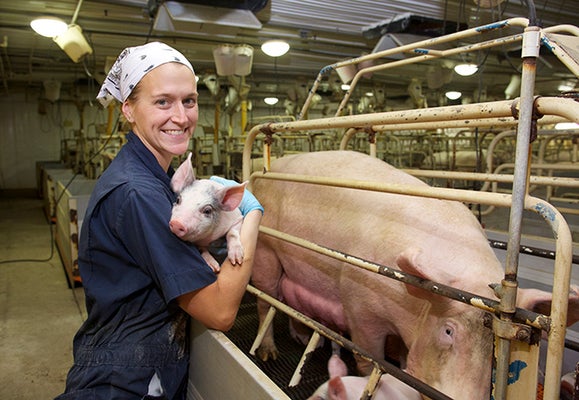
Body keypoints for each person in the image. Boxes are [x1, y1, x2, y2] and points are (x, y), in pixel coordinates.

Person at [55, 41, 263, 400]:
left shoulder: (157, 179)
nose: (181, 117)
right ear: (129, 110)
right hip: (125, 382)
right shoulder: (139, 193)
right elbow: (220, 311)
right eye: (162, 101)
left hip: (140, 364)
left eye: (189, 101)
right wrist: (251, 215)